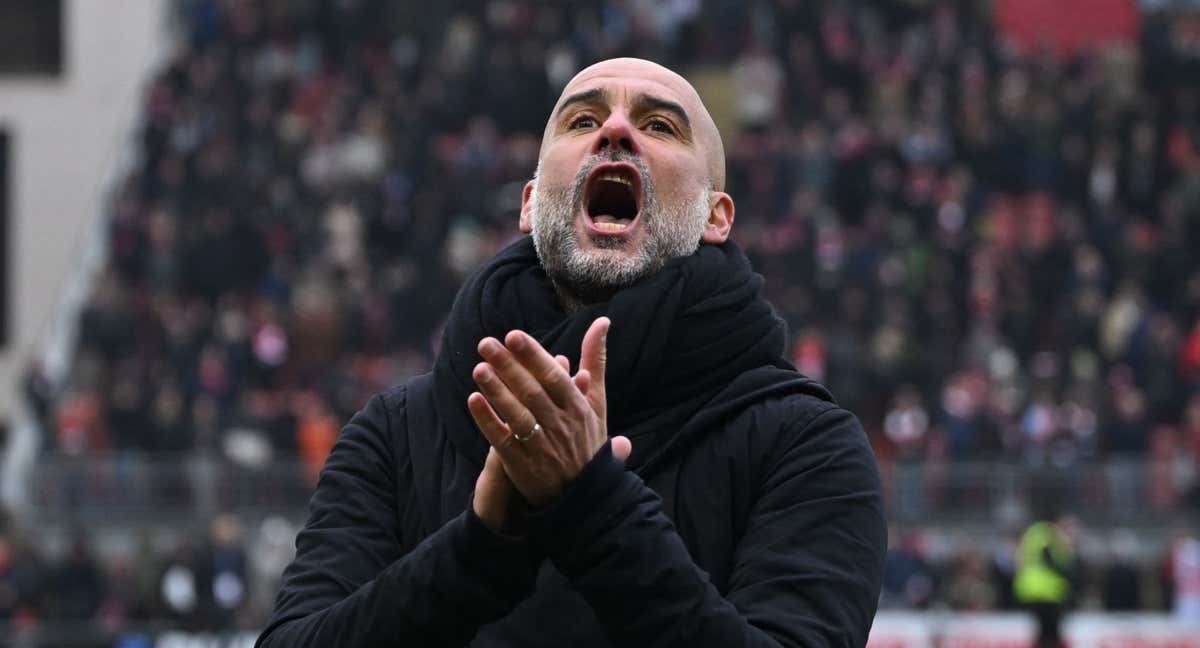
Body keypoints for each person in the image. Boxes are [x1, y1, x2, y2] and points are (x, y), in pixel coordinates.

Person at [258, 58, 886, 648]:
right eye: (582, 120)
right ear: (530, 204)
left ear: (715, 218)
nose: (614, 129)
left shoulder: (806, 444)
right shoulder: (394, 434)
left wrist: (593, 507)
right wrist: (481, 549)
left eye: (659, 125)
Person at [1014, 515, 1080, 648]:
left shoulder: (1035, 533)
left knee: (1044, 634)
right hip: (1049, 593)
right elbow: (1053, 562)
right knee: (1051, 634)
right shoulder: (1050, 536)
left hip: (1031, 591)